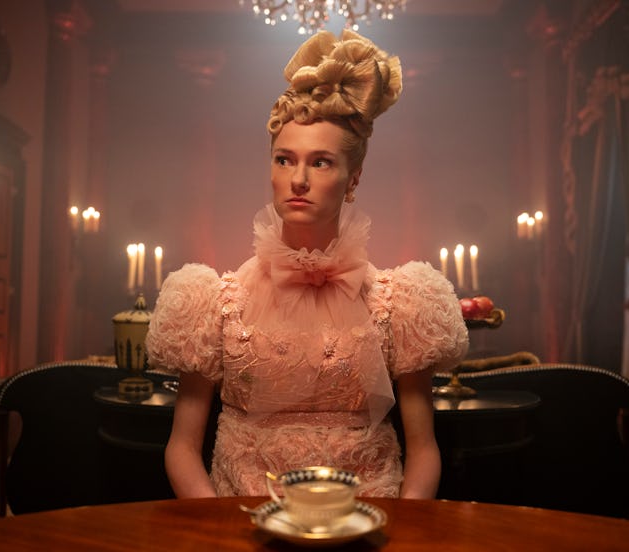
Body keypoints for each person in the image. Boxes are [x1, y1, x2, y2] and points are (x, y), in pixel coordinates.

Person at [146, 30, 468, 499]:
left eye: (320, 162)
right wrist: (213, 535)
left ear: (352, 178)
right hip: (242, 518)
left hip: (369, 519)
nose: (297, 179)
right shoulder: (212, 302)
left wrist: (407, 536)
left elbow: (423, 452)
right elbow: (180, 449)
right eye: (284, 159)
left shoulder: (401, 302)